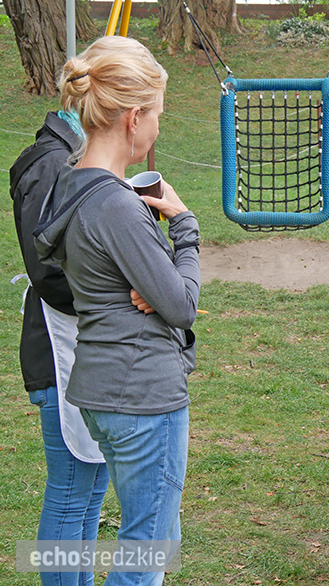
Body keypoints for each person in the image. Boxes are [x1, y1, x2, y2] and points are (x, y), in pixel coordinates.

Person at [34, 36, 200, 586]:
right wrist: (184, 228)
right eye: (156, 115)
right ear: (133, 119)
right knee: (148, 549)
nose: (157, 127)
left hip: (101, 388)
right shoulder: (117, 204)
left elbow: (123, 281)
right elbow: (180, 305)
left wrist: (148, 280)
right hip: (142, 394)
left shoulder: (70, 182)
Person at [11, 108, 110, 586]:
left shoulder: (71, 154)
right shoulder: (50, 163)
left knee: (91, 490)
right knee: (71, 491)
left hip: (87, 350)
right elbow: (50, 274)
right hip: (59, 350)